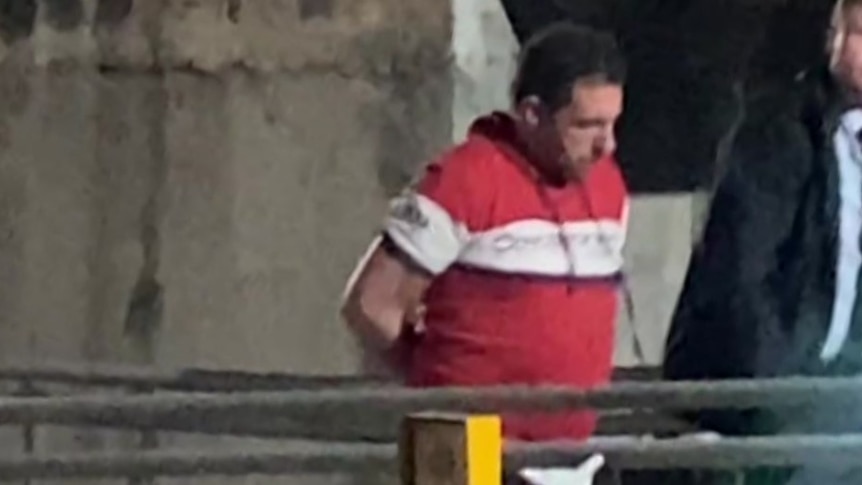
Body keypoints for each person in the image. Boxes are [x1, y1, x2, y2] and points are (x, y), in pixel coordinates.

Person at [340, 22, 628, 442]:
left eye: (613, 123)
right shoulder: (463, 179)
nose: (608, 145)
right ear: (532, 114)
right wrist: (436, 382)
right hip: (473, 458)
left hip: (570, 461)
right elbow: (370, 304)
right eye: (587, 125)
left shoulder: (607, 185)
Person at [664, 0, 862, 481]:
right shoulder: (779, 129)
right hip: (767, 395)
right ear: (833, 37)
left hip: (837, 393)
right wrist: (776, 390)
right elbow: (741, 272)